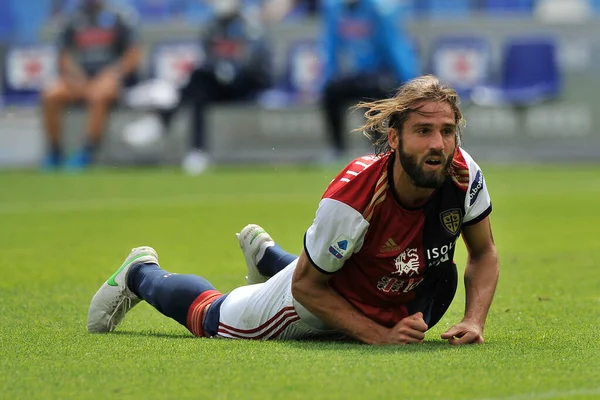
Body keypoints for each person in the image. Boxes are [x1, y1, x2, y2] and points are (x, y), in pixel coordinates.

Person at [88, 75, 499, 345]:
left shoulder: (463, 173)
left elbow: (483, 253)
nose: (438, 145)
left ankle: (269, 257)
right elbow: (307, 287)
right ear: (393, 140)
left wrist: (474, 321)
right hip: (312, 300)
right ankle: (141, 273)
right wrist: (378, 335)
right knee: (212, 318)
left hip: (384, 285)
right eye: (423, 131)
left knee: (433, 272)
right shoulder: (352, 200)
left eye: (447, 132)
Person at [122, 0, 273, 175]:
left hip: (247, 84)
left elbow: (254, 62)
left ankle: (162, 121)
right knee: (198, 89)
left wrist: (228, 70)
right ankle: (197, 152)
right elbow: (208, 56)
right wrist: (220, 70)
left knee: (198, 79)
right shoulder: (213, 26)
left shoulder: (249, 25)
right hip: (219, 82)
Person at [41, 0, 141, 170]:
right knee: (51, 94)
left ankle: (86, 151)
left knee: (99, 93)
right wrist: (75, 75)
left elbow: (134, 54)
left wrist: (113, 73)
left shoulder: (121, 15)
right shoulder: (72, 17)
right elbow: (62, 54)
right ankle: (54, 151)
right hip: (79, 79)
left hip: (110, 79)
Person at [320, 0, 419, 162]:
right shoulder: (334, 9)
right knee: (331, 91)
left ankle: (378, 147)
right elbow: (330, 45)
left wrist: (409, 82)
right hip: (355, 73)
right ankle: (337, 149)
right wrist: (325, 79)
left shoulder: (380, 9)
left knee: (373, 91)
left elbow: (394, 46)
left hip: (380, 73)